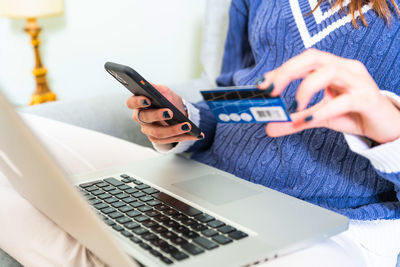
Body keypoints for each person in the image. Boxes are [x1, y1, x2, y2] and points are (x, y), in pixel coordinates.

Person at [126, 0, 400, 266]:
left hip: (337, 223)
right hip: (213, 185)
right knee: (86, 198)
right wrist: (184, 120)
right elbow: (235, 98)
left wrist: (391, 131)